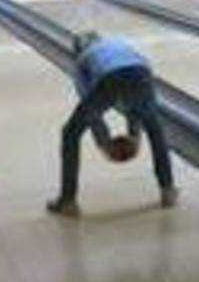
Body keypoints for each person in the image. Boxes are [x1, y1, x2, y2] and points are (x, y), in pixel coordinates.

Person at [47, 32, 178, 216]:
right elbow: (135, 106)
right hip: (141, 71)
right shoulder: (119, 44)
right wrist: (134, 136)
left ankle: (67, 201)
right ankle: (168, 190)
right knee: (154, 129)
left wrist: (104, 142)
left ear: (78, 50)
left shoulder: (82, 60)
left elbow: (93, 114)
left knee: (70, 133)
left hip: (109, 77)